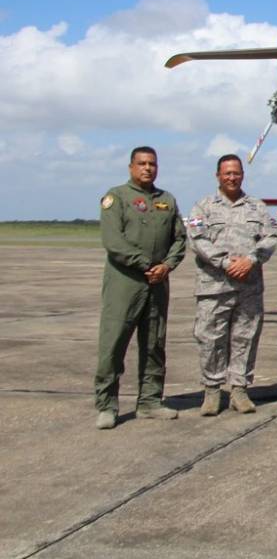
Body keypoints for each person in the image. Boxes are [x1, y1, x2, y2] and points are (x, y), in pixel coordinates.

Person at [94, 146, 187, 429]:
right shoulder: (117, 197)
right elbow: (113, 241)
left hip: (158, 283)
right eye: (142, 163)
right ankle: (107, 404)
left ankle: (149, 401)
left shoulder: (167, 200)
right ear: (131, 167)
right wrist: (146, 263)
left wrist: (167, 265)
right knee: (113, 343)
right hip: (126, 283)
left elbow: (180, 239)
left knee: (154, 343)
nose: (148, 168)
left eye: (152, 164)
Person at [186, 154, 277, 417]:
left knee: (245, 338)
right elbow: (197, 239)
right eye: (227, 173)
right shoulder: (202, 207)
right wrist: (227, 263)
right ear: (218, 175)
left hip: (248, 286)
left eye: (236, 173)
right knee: (210, 339)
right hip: (213, 286)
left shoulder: (256, 207)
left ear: (242, 175)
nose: (232, 177)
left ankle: (239, 389)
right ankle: (212, 390)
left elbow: (272, 236)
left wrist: (250, 260)